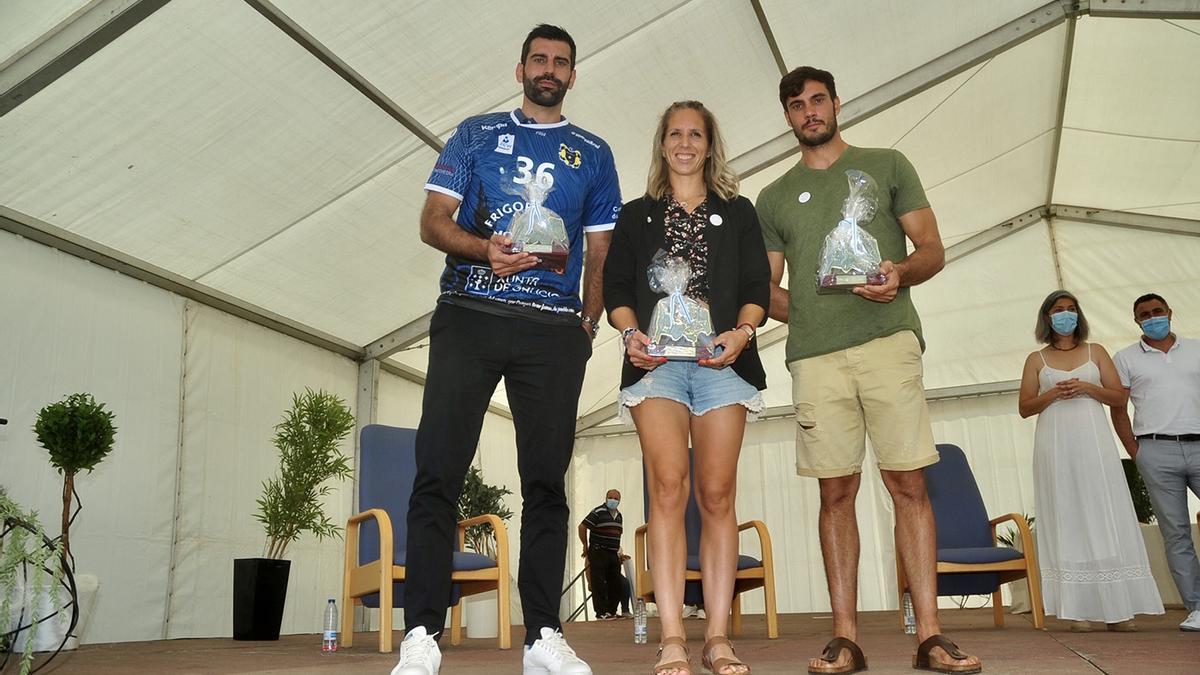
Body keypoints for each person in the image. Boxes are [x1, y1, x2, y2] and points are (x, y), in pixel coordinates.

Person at [392, 24, 622, 675]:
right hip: (468, 314)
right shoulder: (473, 134)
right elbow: (432, 219)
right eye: (540, 58)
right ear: (521, 67)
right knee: (438, 469)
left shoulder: (593, 152)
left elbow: (601, 250)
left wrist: (587, 324)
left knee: (547, 482)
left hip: (554, 335)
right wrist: (481, 247)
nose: (550, 68)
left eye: (561, 62)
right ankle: (421, 635)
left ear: (572, 75)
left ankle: (544, 635)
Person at [756, 66, 980, 675]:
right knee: (836, 491)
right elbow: (766, 287)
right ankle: (845, 638)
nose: (809, 112)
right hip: (814, 356)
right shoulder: (773, 197)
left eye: (818, 100)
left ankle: (930, 634)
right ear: (787, 117)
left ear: (836, 102)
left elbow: (931, 248)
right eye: (797, 105)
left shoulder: (887, 164)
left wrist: (896, 275)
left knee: (908, 484)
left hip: (888, 342)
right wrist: (813, 303)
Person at [604, 100, 770, 675]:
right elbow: (617, 287)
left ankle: (718, 636)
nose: (685, 143)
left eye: (695, 134)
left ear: (709, 144)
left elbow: (757, 285)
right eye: (675, 133)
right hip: (656, 368)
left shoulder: (739, 211)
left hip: (723, 365)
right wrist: (630, 334)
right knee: (668, 491)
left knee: (718, 496)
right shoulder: (635, 215)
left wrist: (743, 331)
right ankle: (672, 636)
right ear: (662, 143)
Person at [1017, 290, 1163, 632]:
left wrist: (1087, 388)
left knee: (1103, 513)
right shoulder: (1036, 359)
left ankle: (1119, 608)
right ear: (1046, 317)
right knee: (1066, 516)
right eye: (1058, 310)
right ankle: (1076, 609)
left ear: (1078, 315)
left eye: (1070, 309)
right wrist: (1052, 393)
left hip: (1094, 443)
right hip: (1054, 445)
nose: (1065, 315)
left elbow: (1117, 396)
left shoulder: (1095, 352)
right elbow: (1025, 407)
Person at [1111, 293, 1200, 632]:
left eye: (1157, 311)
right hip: (1155, 450)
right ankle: (1196, 606)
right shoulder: (1125, 358)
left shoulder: (1196, 349)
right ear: (1136, 321)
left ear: (1170, 312)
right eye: (1144, 314)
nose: (1152, 317)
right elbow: (1118, 408)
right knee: (1176, 533)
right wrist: (1136, 451)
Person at [578, 489, 625, 619]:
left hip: (613, 553)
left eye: (616, 498)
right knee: (598, 582)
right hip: (599, 550)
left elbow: (618, 534)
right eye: (610, 497)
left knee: (616, 582)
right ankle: (601, 612)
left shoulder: (619, 516)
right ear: (605, 498)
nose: (613, 500)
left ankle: (611, 611)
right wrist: (585, 544)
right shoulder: (598, 512)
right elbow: (582, 526)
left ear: (619, 501)